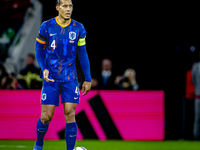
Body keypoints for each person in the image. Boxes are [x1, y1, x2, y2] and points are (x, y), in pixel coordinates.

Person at [33, 0, 91, 150]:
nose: (68, 9)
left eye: (70, 6)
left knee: (70, 113)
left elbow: (83, 54)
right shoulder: (46, 26)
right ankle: (39, 144)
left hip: (70, 77)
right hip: (50, 77)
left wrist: (88, 78)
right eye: (65, 6)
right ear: (57, 7)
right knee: (46, 117)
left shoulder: (79, 28)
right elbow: (39, 50)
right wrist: (44, 68)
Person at [192, 61, 200, 140]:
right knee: (197, 118)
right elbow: (193, 80)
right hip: (198, 96)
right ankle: (196, 136)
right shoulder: (195, 66)